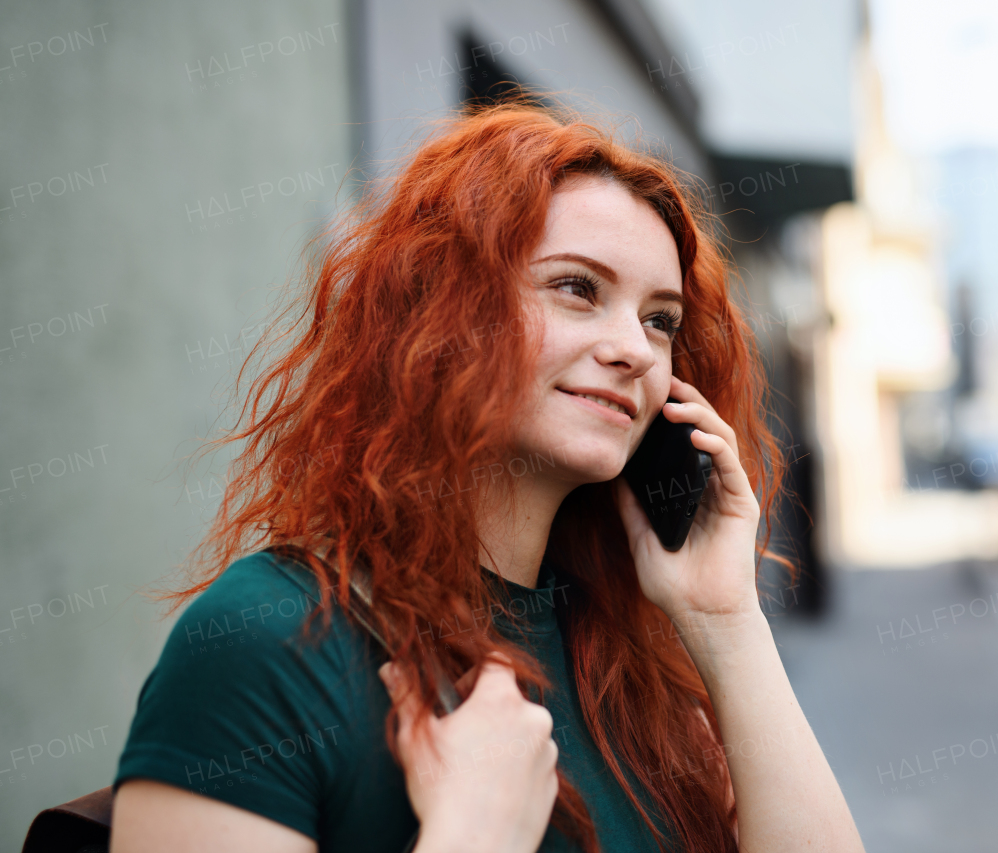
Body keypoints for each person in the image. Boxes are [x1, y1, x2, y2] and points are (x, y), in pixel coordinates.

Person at [109, 103, 863, 853]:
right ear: (442, 311)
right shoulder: (266, 642)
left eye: (660, 320)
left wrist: (725, 619)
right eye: (577, 288)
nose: (634, 348)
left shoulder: (629, 664)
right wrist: (476, 829)